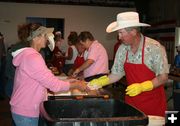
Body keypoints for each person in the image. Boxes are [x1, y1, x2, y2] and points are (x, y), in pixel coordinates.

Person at [88, 11, 169, 117]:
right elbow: (116, 74)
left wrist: (142, 87)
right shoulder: (122, 49)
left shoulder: (154, 48)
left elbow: (163, 77)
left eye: (121, 33)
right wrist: (100, 82)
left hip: (153, 104)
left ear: (133, 32)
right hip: (132, 103)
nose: (119, 37)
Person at [10, 26, 88, 126]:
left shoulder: (29, 55)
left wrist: (70, 82)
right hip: (26, 109)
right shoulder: (33, 57)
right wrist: (76, 84)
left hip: (23, 106)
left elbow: (45, 79)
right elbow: (53, 85)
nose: (47, 38)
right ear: (35, 38)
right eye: (44, 35)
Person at [5, 23, 30, 98]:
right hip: (21, 86)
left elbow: (7, 70)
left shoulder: (13, 48)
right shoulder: (31, 49)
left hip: (12, 84)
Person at [0, 32, 6, 100]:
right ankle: (1, 94)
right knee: (2, 79)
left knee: (1, 79)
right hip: (2, 61)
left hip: (2, 61)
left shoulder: (1, 40)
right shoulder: (1, 40)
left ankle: (1, 94)